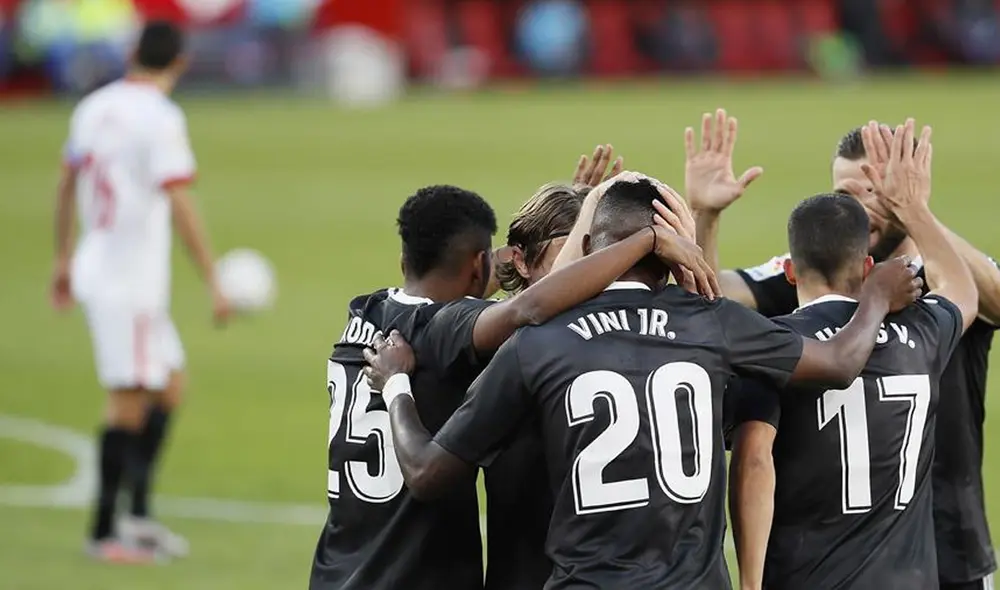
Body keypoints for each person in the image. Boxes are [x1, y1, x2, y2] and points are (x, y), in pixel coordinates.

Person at [361, 177, 922, 589]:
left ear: (588, 249)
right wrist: (875, 298)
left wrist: (396, 388)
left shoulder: (534, 343)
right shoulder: (713, 324)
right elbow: (839, 362)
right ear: (674, 247)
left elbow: (429, 474)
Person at [311, 180, 718, 590]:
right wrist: (638, 235)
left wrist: (553, 228)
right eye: (585, 245)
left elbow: (508, 299)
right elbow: (532, 307)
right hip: (432, 573)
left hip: (340, 569)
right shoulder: (491, 340)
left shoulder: (369, 314)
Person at [689, 109, 1000, 590]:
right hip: (845, 545)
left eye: (871, 188)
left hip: (949, 538)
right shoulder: (822, 268)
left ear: (901, 186)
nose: (856, 204)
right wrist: (705, 217)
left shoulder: (945, 267)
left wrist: (917, 214)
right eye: (844, 192)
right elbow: (713, 300)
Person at [50, 20, 229, 563]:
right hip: (125, 282)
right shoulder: (161, 117)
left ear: (132, 54)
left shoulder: (94, 106)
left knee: (169, 388)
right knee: (127, 402)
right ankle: (104, 533)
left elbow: (66, 182)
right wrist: (213, 278)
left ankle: (138, 516)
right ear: (180, 62)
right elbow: (179, 201)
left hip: (106, 269)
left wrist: (62, 257)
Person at [487, 182, 587, 589]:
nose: (585, 271)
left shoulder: (620, 336)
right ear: (520, 261)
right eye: (570, 254)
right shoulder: (489, 344)